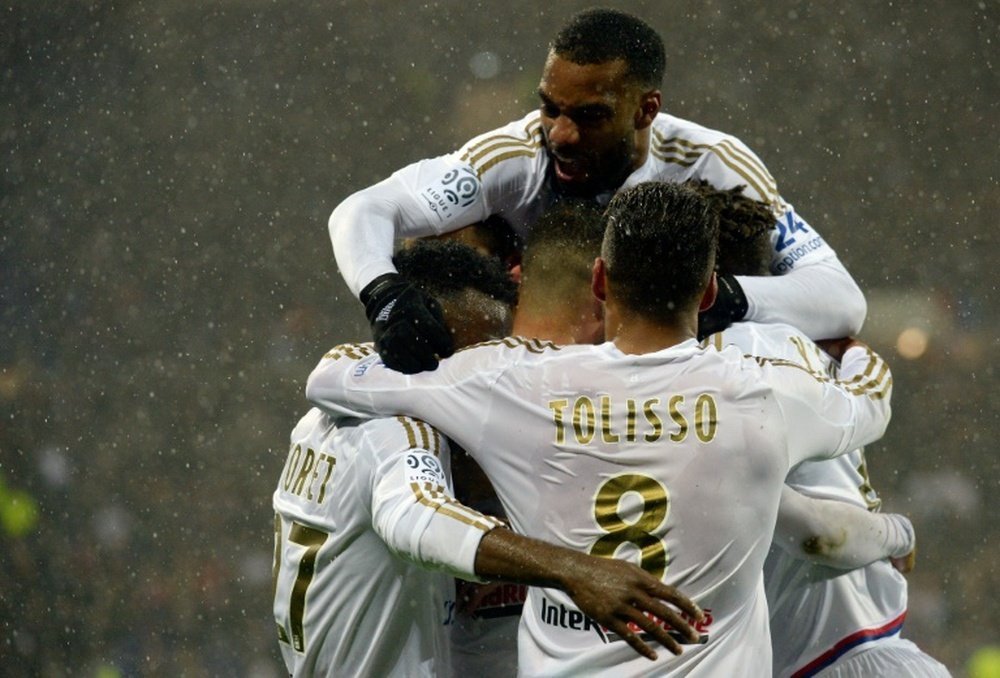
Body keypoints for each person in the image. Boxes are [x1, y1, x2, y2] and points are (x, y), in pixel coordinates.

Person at [306, 182, 893, 676]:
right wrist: (856, 357)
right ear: (711, 291)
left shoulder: (510, 383)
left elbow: (331, 377)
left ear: (599, 281)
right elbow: (870, 405)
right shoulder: (772, 392)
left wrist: (395, 315)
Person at [327, 7, 867, 374]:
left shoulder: (711, 163)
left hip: (672, 376)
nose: (561, 134)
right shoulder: (515, 156)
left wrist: (711, 297)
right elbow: (365, 209)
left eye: (589, 117)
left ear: (646, 110)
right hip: (535, 372)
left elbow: (842, 300)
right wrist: (384, 294)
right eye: (550, 108)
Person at [273, 239, 702, 677]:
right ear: (427, 343)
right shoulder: (399, 433)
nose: (494, 370)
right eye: (483, 350)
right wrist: (575, 570)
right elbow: (416, 516)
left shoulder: (320, 421)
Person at [693, 181, 950, 678]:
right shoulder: (821, 350)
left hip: (839, 660)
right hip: (877, 650)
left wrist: (898, 534)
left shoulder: (707, 375)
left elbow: (821, 537)